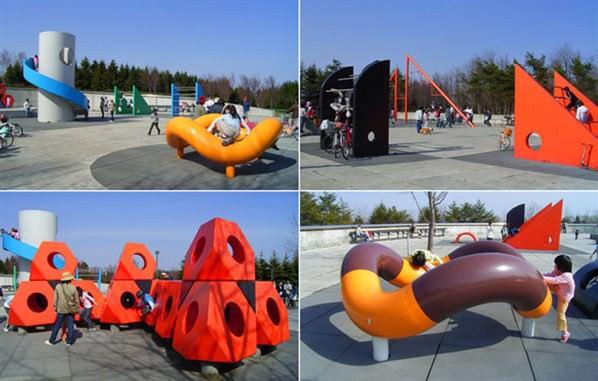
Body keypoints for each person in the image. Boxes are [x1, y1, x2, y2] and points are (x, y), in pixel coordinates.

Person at [543, 255, 575, 343]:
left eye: (555, 265)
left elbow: (555, 280)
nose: (554, 267)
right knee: (546, 282)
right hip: (559, 291)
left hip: (564, 298)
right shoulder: (558, 272)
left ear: (561, 267)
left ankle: (565, 333)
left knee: (561, 314)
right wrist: (540, 275)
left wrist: (541, 278)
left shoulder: (566, 276)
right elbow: (550, 275)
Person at [45, 272, 79, 346]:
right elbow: (76, 300)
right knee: (70, 325)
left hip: (61, 309)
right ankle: (69, 342)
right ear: (70, 279)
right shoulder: (73, 287)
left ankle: (51, 341)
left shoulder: (58, 287)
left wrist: (55, 307)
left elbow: (55, 299)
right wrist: (76, 308)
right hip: (70, 310)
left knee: (57, 325)